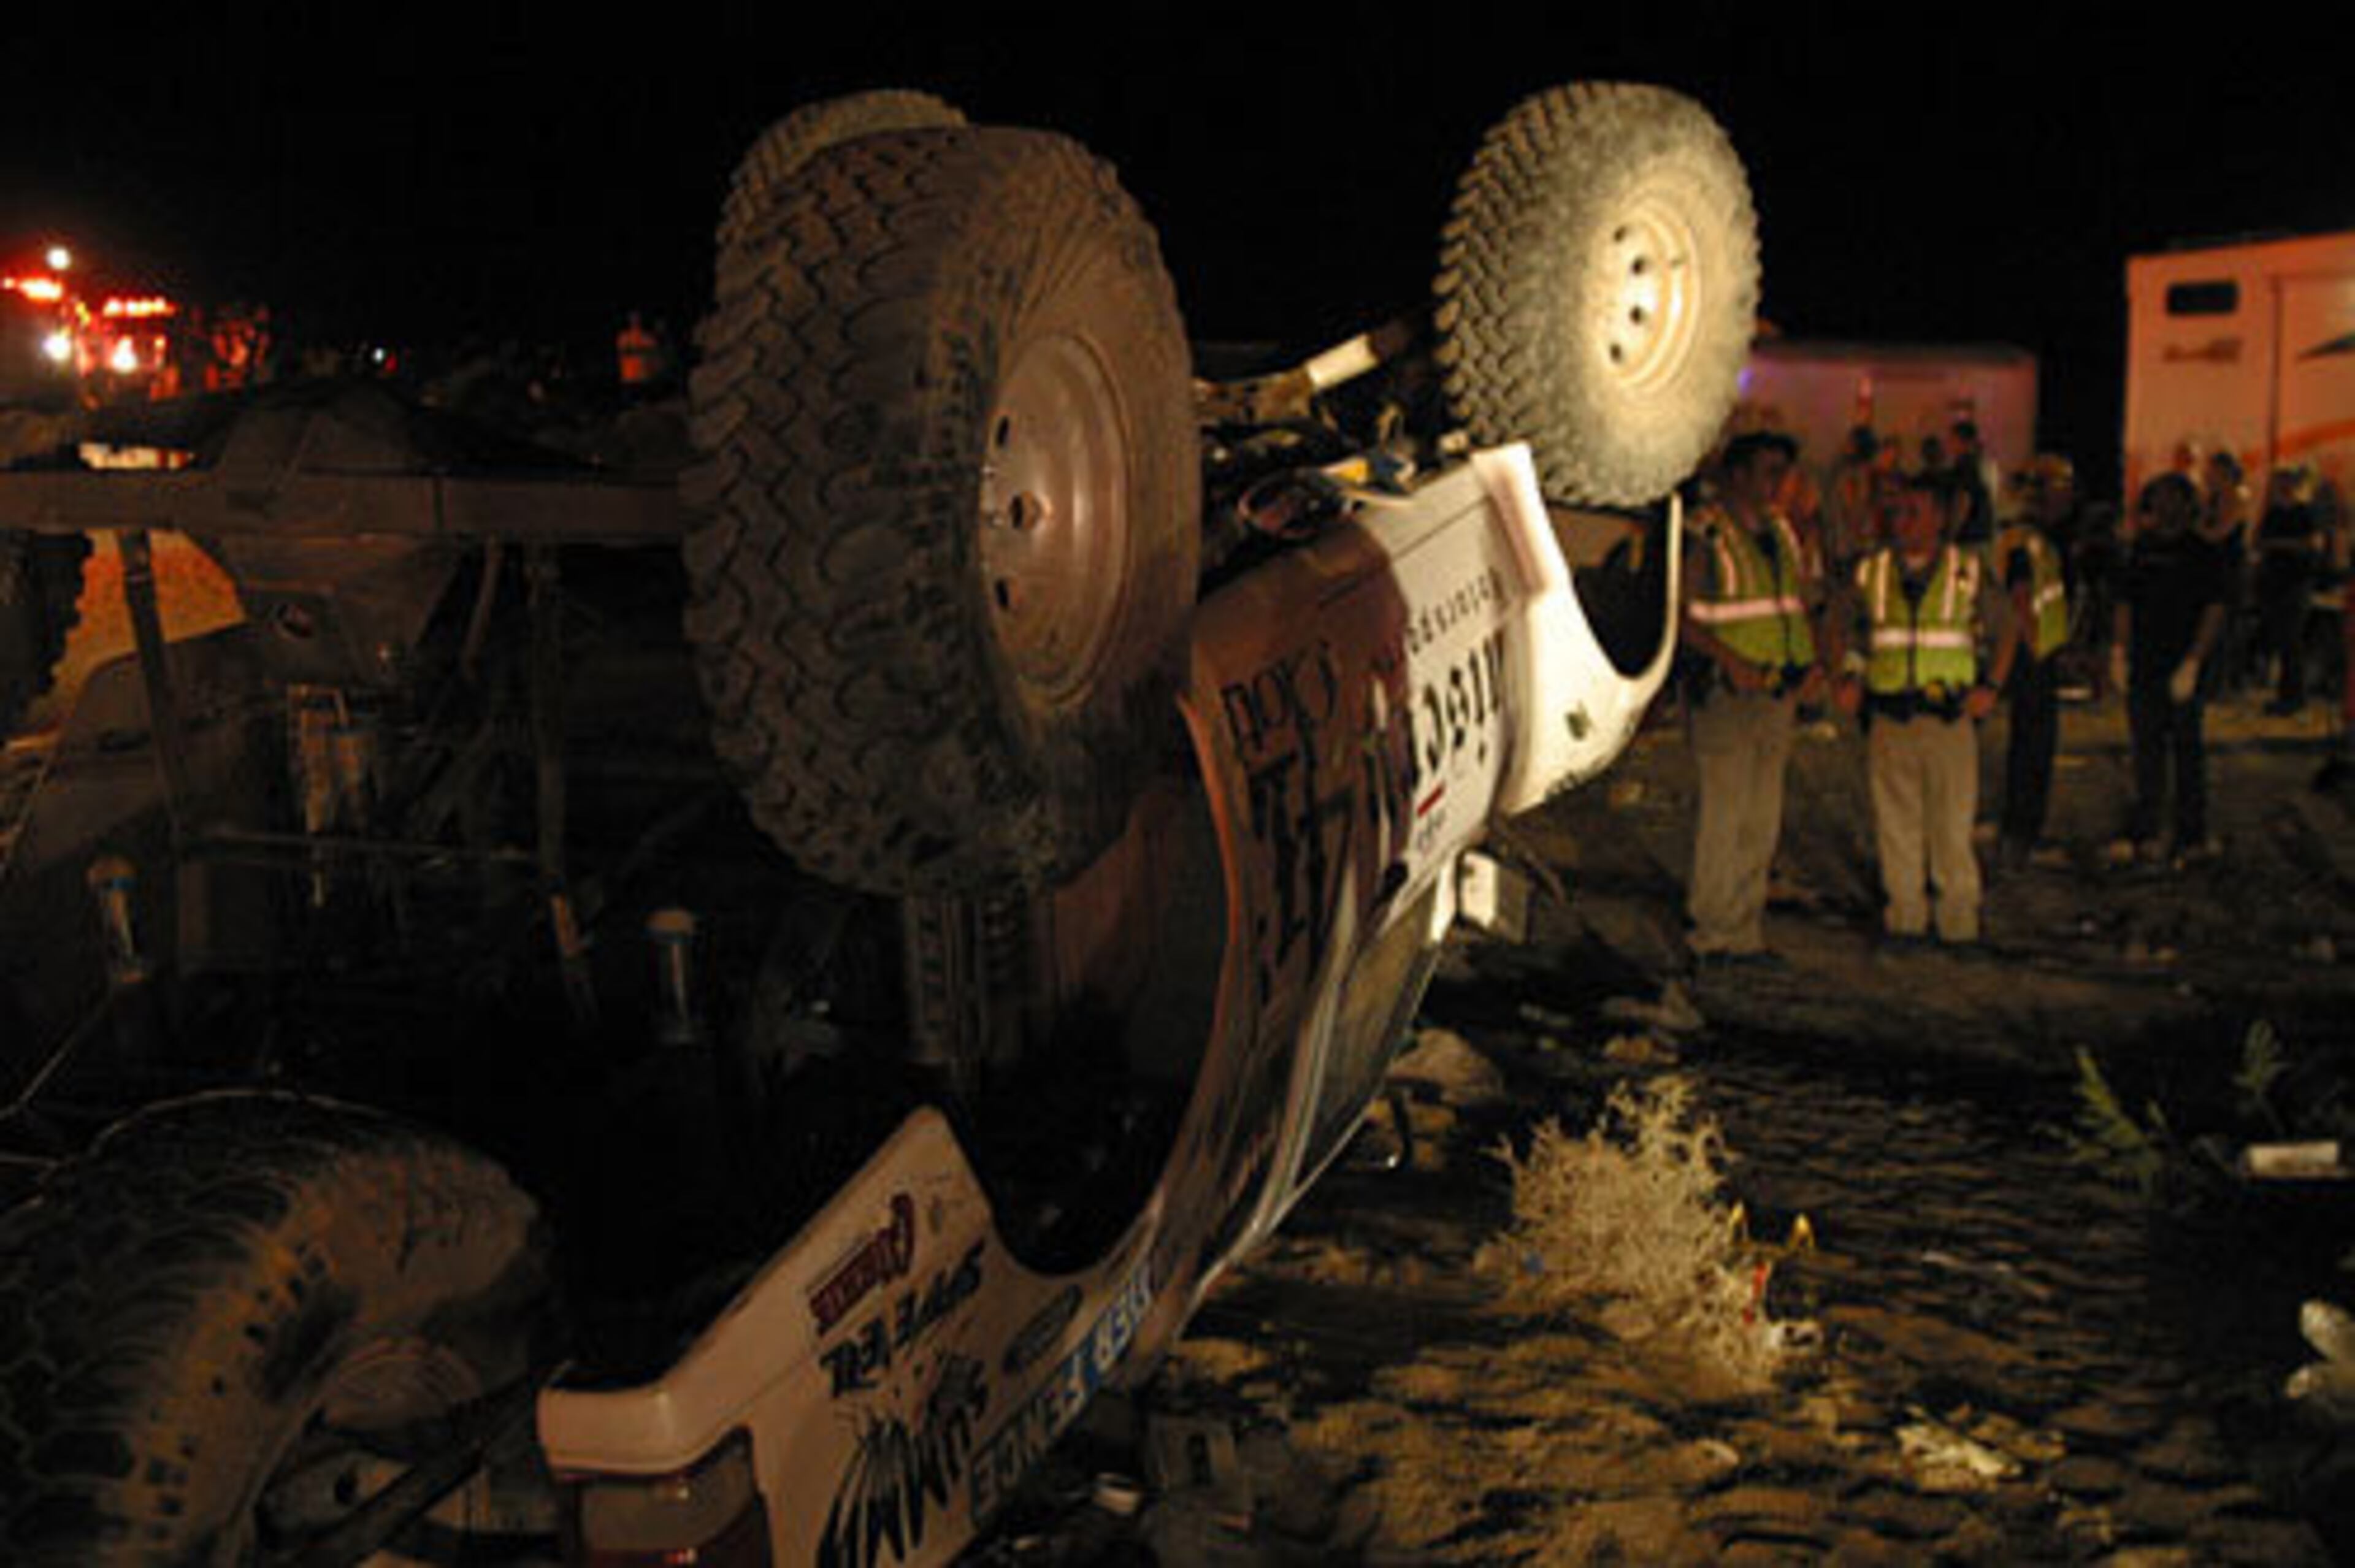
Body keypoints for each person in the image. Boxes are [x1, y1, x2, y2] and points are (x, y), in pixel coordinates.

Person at [1834, 473, 2010, 944]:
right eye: (1898, 511)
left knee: (1951, 826)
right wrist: (1850, 673)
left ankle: (1957, 920)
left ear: (1938, 519)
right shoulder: (1873, 572)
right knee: (1896, 824)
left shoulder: (1966, 572)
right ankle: (1906, 917)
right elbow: (1848, 627)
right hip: (1890, 716)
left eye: (1914, 512)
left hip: (1948, 718)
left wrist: (1990, 685)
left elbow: (2007, 627)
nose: (1902, 521)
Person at [1678, 430, 1832, 962]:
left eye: (1782, 473)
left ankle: (1744, 929)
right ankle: (1711, 930)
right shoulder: (1707, 533)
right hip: (1727, 693)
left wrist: (1812, 666)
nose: (1778, 483)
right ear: (1737, 475)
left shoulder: (1782, 533)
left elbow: (1798, 608)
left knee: (1761, 818)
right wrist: (1732, 662)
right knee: (1724, 815)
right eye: (1768, 471)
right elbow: (1681, 617)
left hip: (1775, 693)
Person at [2110, 472, 2231, 865]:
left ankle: (2190, 834)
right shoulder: (2141, 552)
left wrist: (2194, 662)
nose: (2161, 509)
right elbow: (2124, 603)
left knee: (2186, 751)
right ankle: (2148, 829)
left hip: (2180, 663)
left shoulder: (2203, 553)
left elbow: (2215, 610)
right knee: (2146, 752)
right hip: (2145, 664)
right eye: (2156, 500)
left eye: (2168, 500)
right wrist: (2120, 652)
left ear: (2185, 505)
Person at [1991, 474, 2072, 867]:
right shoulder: (2029, 542)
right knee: (2034, 747)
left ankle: (2017, 828)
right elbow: (2021, 596)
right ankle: (2023, 834)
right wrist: (2035, 642)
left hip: (2037, 651)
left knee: (2027, 743)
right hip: (2034, 655)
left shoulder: (2030, 539)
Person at [2252, 465, 2324, 714]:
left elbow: (2313, 544)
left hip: (2296, 584)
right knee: (2283, 641)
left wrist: (2279, 545)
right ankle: (2286, 694)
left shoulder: (2306, 513)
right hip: (2275, 583)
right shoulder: (2274, 514)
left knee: (2292, 641)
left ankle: (2295, 696)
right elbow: (2259, 541)